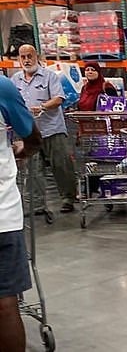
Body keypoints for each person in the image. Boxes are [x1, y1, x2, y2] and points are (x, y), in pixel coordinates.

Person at [0, 75, 42, 352]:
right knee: (5, 302)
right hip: (2, 216)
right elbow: (33, 138)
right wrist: (21, 150)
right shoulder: (2, 86)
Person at [11, 44, 78, 213]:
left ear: (37, 57)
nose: (26, 60)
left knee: (61, 165)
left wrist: (42, 107)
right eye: (23, 57)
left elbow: (59, 98)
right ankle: (37, 205)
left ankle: (68, 198)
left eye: (29, 56)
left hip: (52, 129)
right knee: (33, 169)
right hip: (28, 132)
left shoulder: (50, 76)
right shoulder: (15, 79)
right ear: (19, 59)